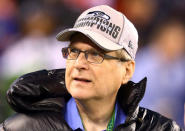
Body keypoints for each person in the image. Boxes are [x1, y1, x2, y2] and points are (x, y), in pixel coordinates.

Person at [0, 5, 183, 131]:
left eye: (96, 55)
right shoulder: (21, 128)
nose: (79, 64)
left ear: (127, 70)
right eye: (73, 52)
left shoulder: (160, 129)